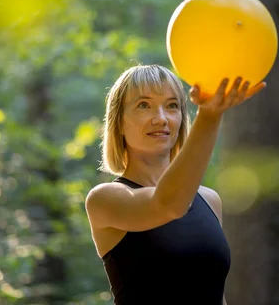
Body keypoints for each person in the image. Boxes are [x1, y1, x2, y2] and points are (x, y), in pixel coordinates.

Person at [85, 64, 266, 305]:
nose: (161, 118)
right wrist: (209, 116)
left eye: (172, 106)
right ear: (118, 122)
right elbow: (168, 204)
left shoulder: (210, 200)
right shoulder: (105, 199)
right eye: (143, 105)